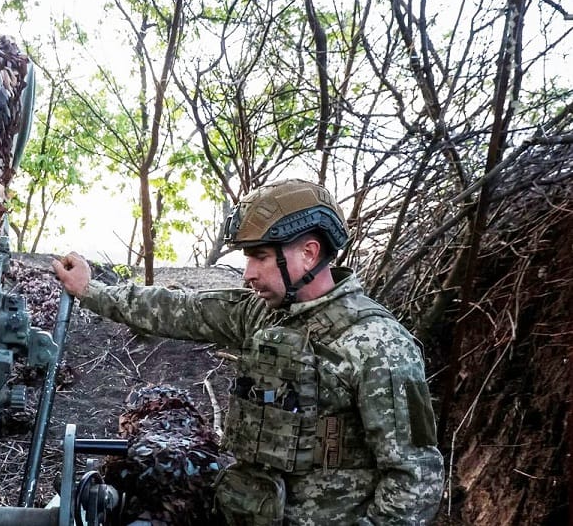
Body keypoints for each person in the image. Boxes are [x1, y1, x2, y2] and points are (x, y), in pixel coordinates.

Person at [52, 179, 444, 525]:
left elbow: (416, 479)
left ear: (308, 253)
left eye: (260, 256)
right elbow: (177, 309)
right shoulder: (262, 314)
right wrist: (91, 291)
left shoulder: (378, 344)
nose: (248, 274)